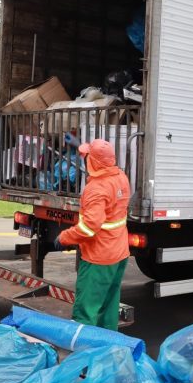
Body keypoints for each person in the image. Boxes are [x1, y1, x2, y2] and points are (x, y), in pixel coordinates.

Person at [55, 138, 130, 331]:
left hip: (99, 257)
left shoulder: (96, 189)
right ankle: (106, 350)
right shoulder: (121, 177)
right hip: (119, 253)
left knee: (86, 311)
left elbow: (90, 227)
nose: (84, 158)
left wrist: (64, 238)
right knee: (109, 307)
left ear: (94, 162)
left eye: (87, 156)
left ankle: (84, 354)